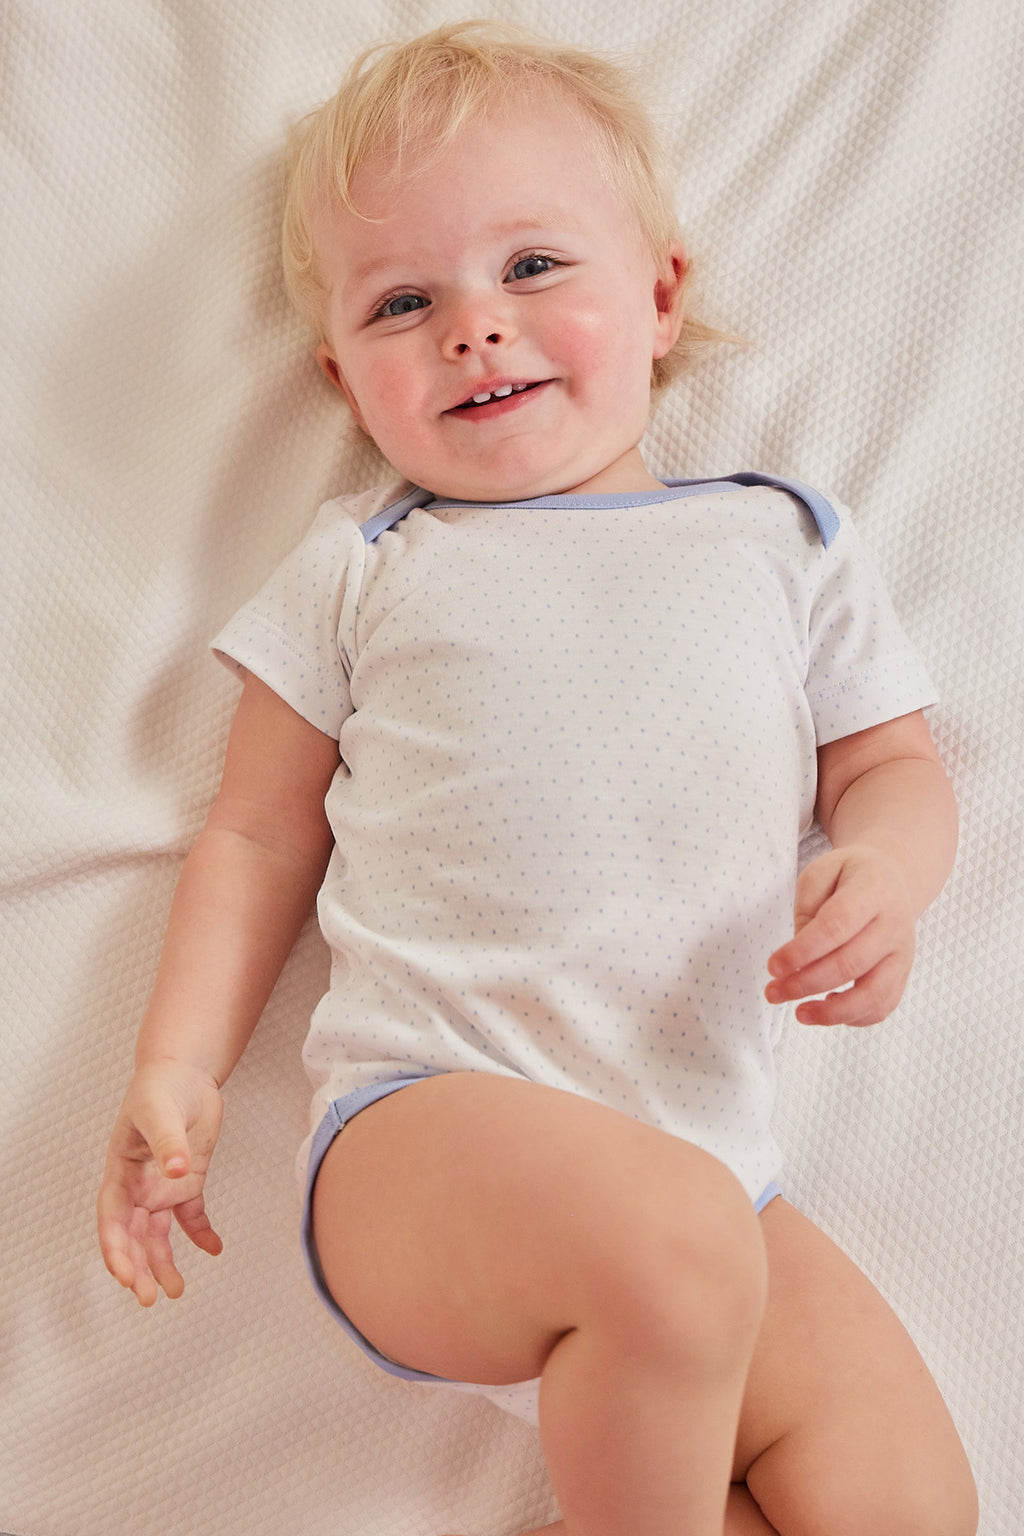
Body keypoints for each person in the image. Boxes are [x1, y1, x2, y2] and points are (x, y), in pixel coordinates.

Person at [97, 20, 978, 1536]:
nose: (474, 329)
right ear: (340, 377)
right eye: (402, 302)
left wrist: (886, 875)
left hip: (717, 1166)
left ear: (660, 294)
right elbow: (251, 839)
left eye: (532, 269)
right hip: (421, 1137)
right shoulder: (367, 567)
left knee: (906, 1498)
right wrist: (173, 1067)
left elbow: (896, 763)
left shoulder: (781, 541)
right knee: (674, 1239)